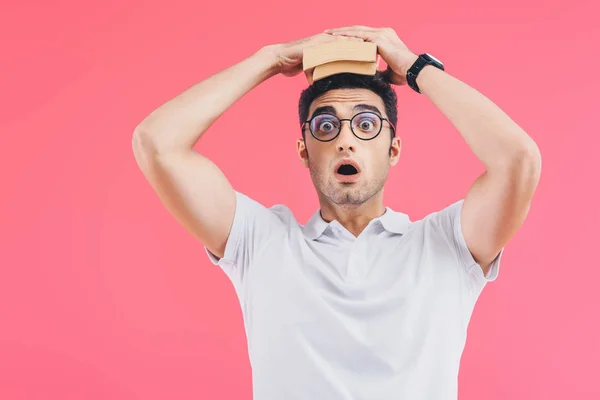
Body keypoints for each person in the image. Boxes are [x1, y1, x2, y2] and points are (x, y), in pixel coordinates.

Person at [132, 26, 542, 400]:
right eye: (326, 127)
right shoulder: (262, 242)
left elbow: (518, 160)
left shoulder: (449, 244)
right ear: (304, 151)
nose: (346, 140)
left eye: (366, 124)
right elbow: (156, 143)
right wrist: (271, 59)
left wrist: (415, 67)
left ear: (393, 149)